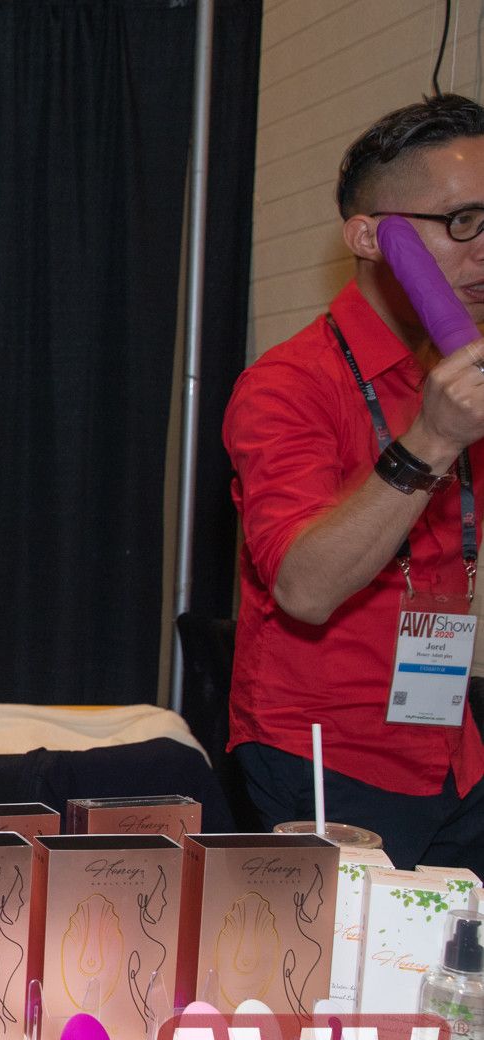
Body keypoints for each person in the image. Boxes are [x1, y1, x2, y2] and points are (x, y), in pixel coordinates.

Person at [225, 95, 484, 870]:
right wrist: (430, 439)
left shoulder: (455, 366)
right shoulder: (288, 385)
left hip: (450, 748)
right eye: (462, 222)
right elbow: (303, 588)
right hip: (324, 761)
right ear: (371, 237)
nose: (482, 250)